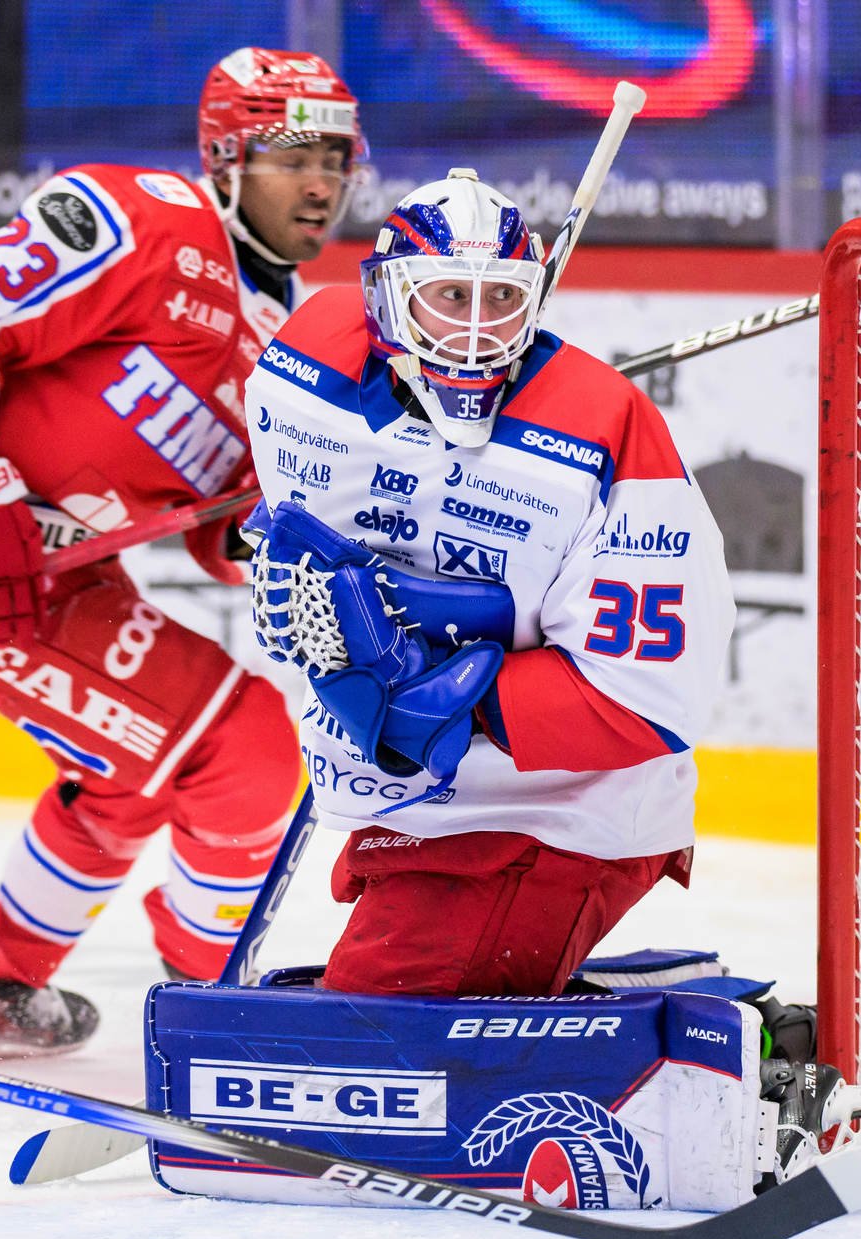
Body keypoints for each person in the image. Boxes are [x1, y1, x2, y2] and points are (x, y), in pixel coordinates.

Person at [0, 48, 363, 1056]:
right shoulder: (145, 222)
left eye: (337, 155)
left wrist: (290, 511)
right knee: (242, 746)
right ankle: (210, 1009)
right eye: (294, 151)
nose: (323, 180)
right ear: (227, 153)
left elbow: (218, 529)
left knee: (133, 778)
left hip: (60, 575)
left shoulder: (283, 335)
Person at [242, 168, 737, 999]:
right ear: (387, 301)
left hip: (554, 817)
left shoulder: (604, 432)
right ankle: (643, 994)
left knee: (377, 1042)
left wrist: (448, 698)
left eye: (501, 301)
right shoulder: (299, 368)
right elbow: (288, 515)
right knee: (377, 1004)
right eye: (447, 298)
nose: (475, 334)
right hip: (410, 810)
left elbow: (655, 699)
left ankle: (709, 1036)